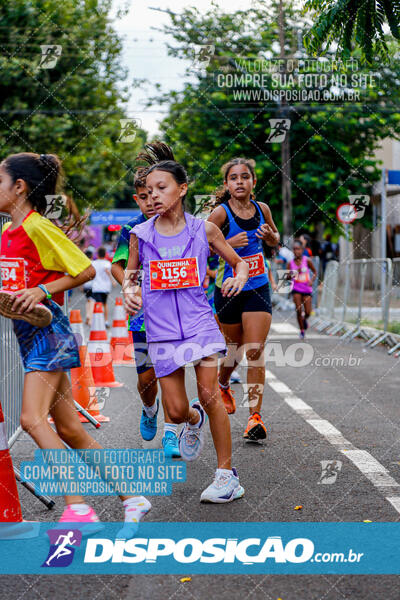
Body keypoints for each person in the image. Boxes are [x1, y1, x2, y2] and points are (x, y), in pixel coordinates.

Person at [0, 152, 150, 536]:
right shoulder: (7, 233)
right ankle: (132, 497)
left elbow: (83, 269)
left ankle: (78, 508)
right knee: (69, 429)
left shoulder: (38, 227)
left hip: (49, 333)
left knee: (32, 420)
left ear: (19, 188)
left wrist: (40, 290)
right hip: (28, 334)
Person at [123, 142, 249, 503]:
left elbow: (238, 262)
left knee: (209, 393)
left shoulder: (204, 231)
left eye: (162, 188)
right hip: (160, 332)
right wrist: (129, 294)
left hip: (199, 325)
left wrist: (237, 276)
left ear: (182, 189)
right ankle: (193, 421)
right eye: (149, 191)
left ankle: (227, 476)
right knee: (176, 411)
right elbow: (130, 278)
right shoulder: (141, 235)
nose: (155, 195)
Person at [208, 157, 279, 441]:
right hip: (227, 290)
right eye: (234, 178)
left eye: (245, 177)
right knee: (234, 350)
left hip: (258, 286)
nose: (240, 182)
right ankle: (223, 382)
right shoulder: (220, 214)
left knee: (254, 350)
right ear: (227, 184)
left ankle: (254, 417)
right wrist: (226, 246)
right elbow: (199, 249)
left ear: (253, 182)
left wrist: (271, 236)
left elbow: (275, 239)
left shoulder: (262, 209)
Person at [111, 168, 180, 458]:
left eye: (156, 193)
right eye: (143, 197)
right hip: (142, 315)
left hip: (175, 314)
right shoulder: (132, 230)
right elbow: (117, 266)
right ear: (137, 199)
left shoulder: (179, 225)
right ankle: (150, 409)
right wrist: (130, 289)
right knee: (147, 378)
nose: (150, 201)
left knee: (172, 373)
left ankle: (172, 432)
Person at [289, 240, 317, 338]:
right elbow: (287, 277)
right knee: (299, 310)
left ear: (302, 250)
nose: (296, 251)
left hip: (306, 289)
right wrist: (296, 271)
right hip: (296, 288)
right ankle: (301, 331)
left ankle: (304, 320)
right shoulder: (290, 263)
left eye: (298, 249)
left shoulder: (307, 260)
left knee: (308, 311)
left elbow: (315, 272)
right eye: (294, 249)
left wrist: (311, 281)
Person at [91, 246, 114, 327]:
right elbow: (108, 272)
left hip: (96, 287)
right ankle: (106, 321)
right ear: (105, 255)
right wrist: (113, 281)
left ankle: (98, 322)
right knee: (105, 304)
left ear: (97, 255)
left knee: (98, 304)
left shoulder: (93, 263)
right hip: (106, 287)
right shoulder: (107, 263)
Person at [82, 249, 94, 325]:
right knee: (92, 301)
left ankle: (87, 315)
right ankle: (90, 318)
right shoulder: (94, 263)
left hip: (86, 285)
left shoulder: (83, 264)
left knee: (87, 301)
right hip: (93, 285)